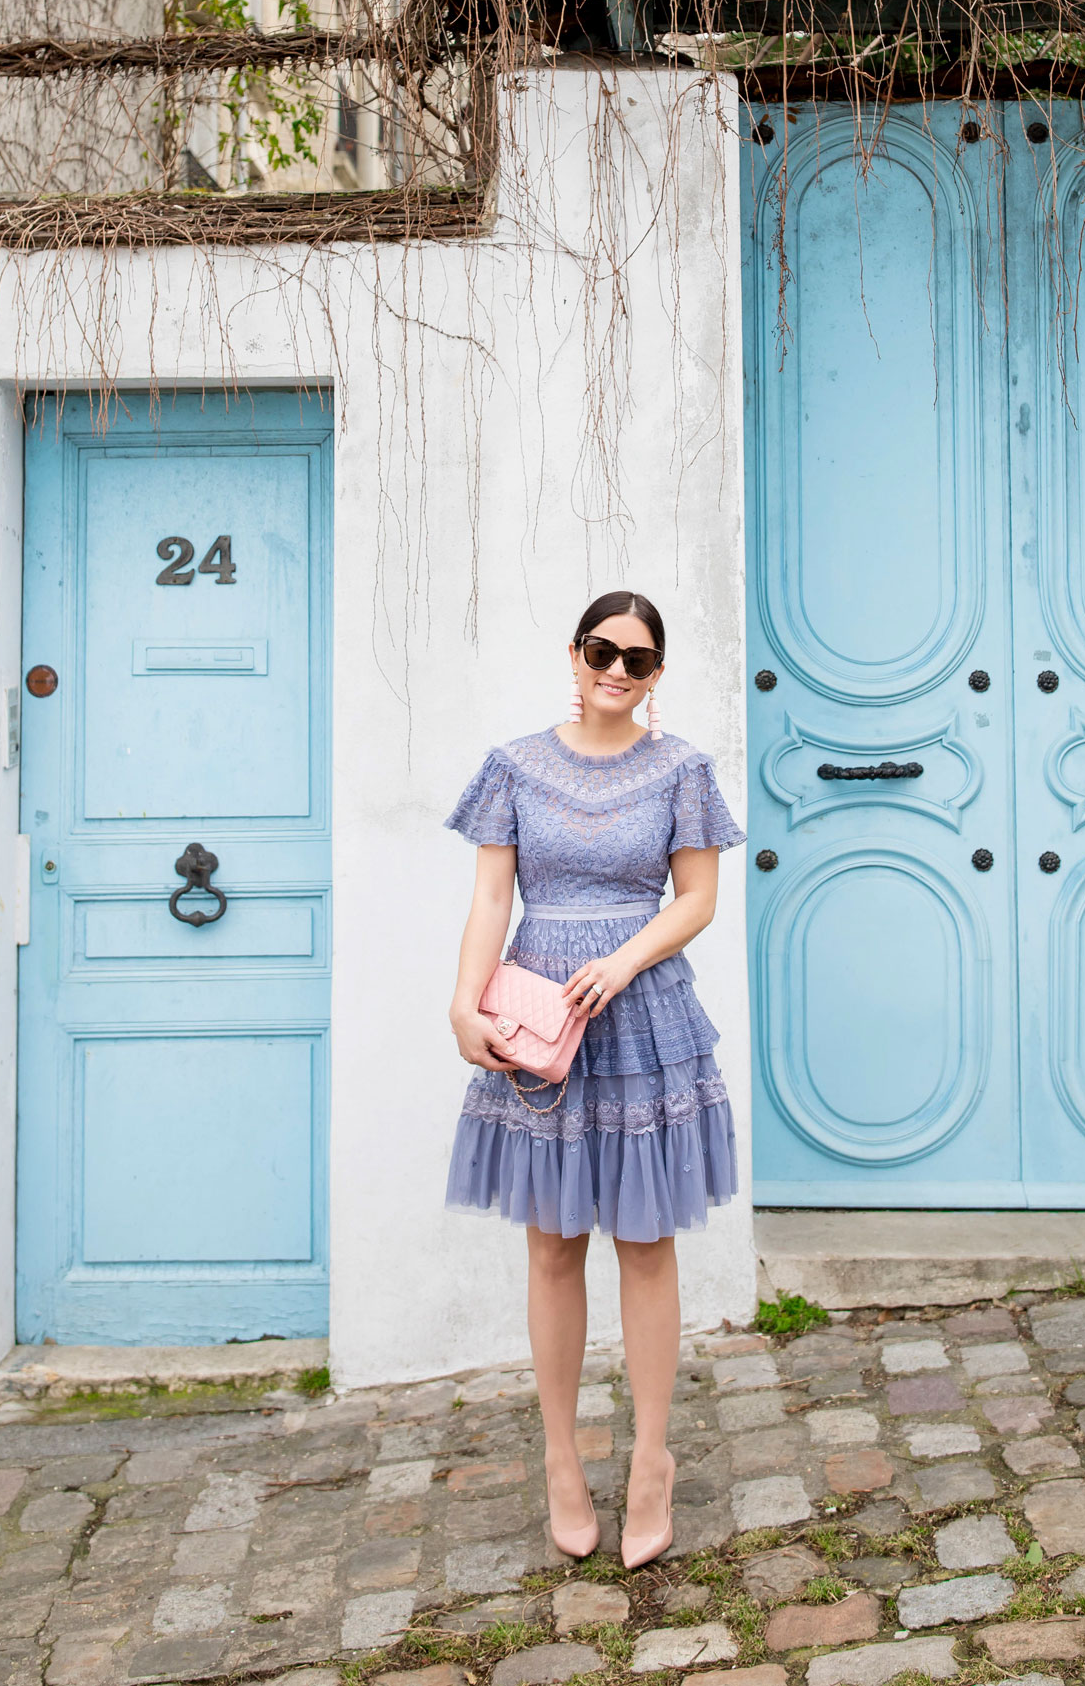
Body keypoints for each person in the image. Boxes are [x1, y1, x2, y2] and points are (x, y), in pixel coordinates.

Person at [443, 590, 745, 1569]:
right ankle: (561, 1461)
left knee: (646, 1245)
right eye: (603, 652)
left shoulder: (681, 770)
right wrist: (463, 1002)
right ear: (572, 655)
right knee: (552, 1247)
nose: (617, 671)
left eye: (639, 660)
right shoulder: (514, 767)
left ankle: (650, 1460)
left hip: (641, 1012)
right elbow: (493, 892)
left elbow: (697, 897)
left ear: (656, 675)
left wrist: (624, 961)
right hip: (541, 1013)